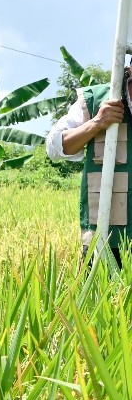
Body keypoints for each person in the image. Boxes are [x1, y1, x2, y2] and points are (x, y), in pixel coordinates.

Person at [46, 59, 132, 265]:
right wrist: (97, 123)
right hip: (107, 237)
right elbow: (55, 147)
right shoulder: (98, 99)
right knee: (101, 285)